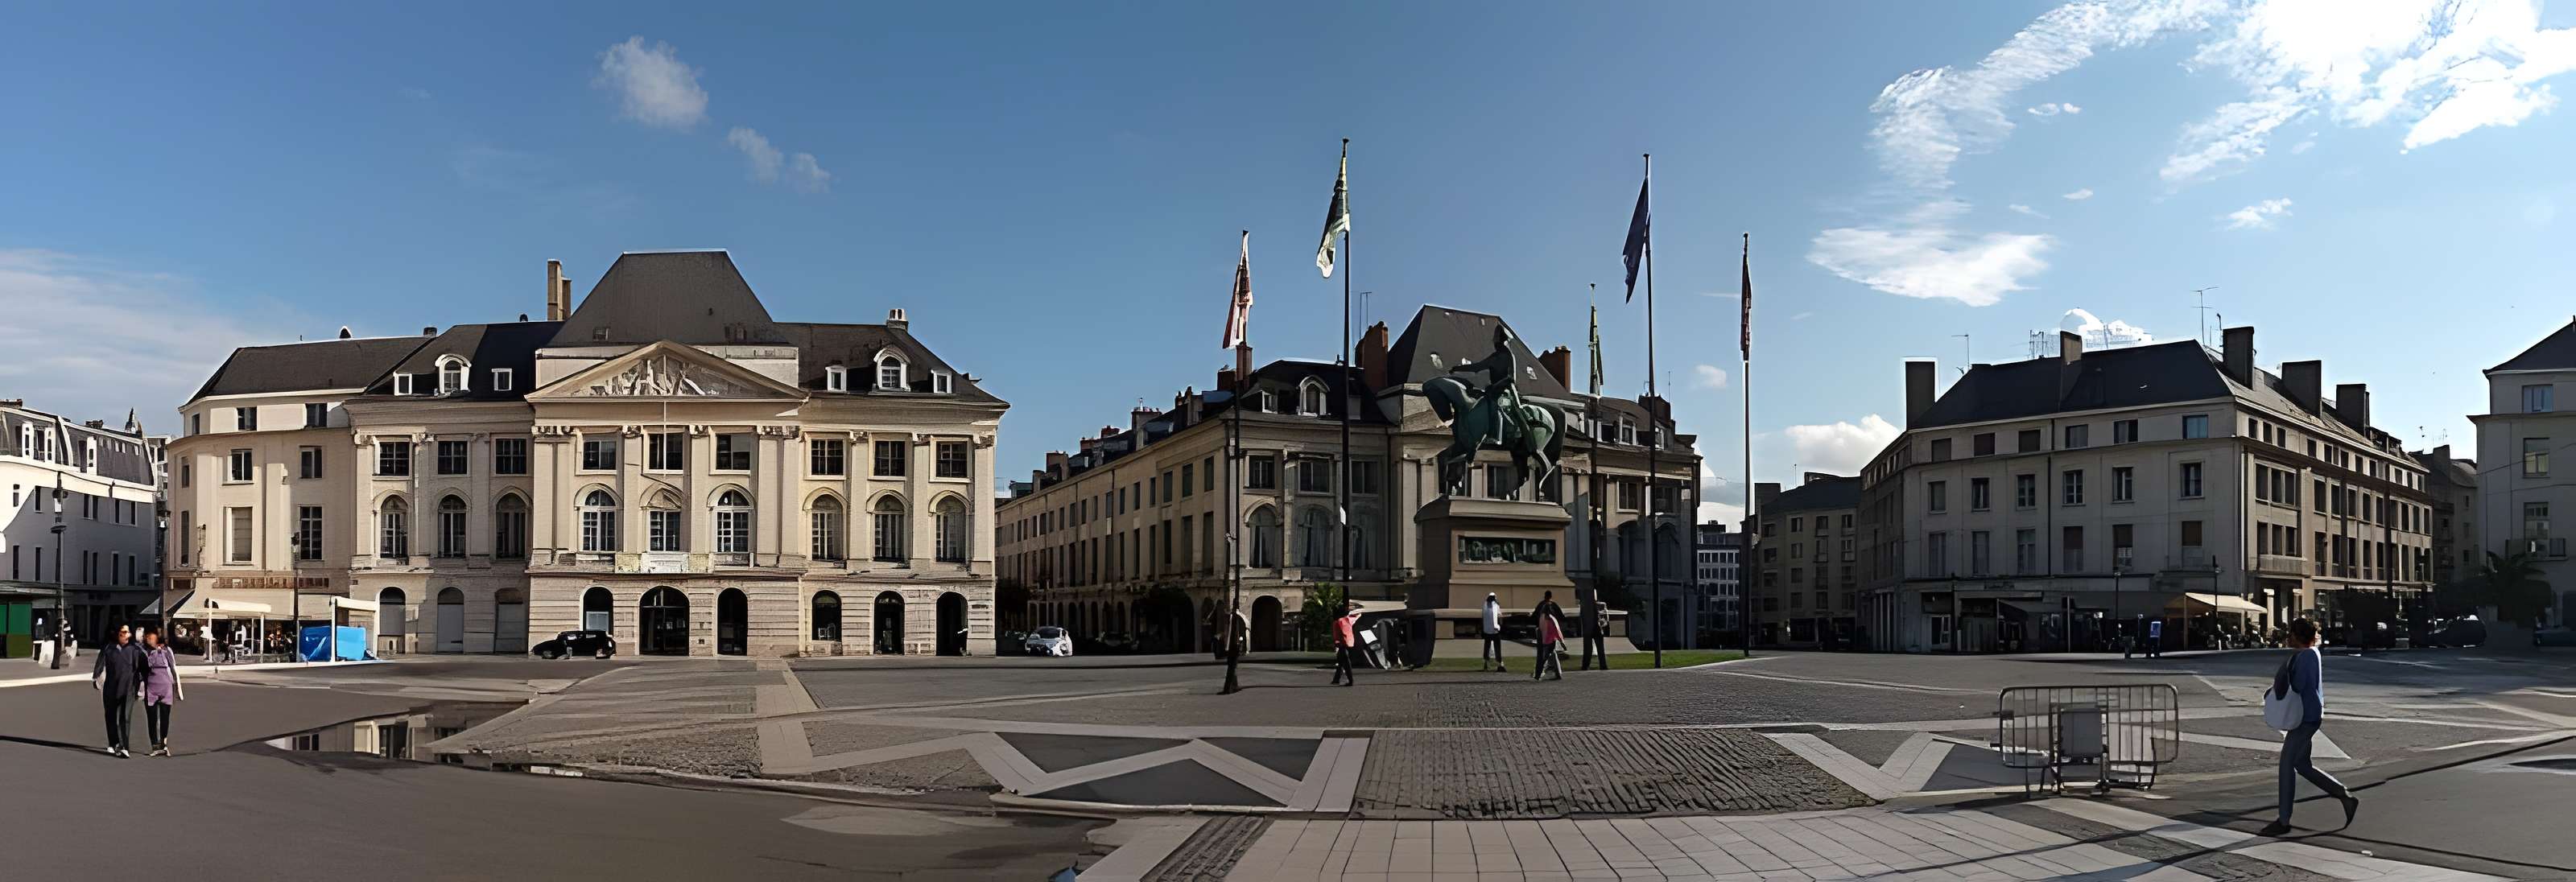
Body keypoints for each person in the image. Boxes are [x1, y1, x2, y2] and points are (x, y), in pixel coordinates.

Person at [2264, 619, 2358, 836]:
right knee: (2302, 764)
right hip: (2311, 715)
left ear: (2297, 636)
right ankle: (2343, 795)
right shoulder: (2314, 653)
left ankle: (2284, 820)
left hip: (2303, 718)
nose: (2288, 637)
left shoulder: (2303, 656)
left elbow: (2295, 686)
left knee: (2286, 766)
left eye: (2291, 634)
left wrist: (2285, 670)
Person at [91, 624, 146, 757]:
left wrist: (141, 687)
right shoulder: (109, 648)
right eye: (123, 632)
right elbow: (100, 664)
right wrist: (96, 678)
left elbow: (141, 670)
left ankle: (124, 746)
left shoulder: (135, 650)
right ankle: (113, 742)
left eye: (128, 632)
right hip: (111, 687)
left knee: (124, 717)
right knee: (110, 716)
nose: (126, 634)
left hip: (128, 688)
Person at [139, 626, 184, 756]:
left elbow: (173, 668)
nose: (148, 638)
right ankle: (155, 746)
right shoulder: (143, 652)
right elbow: (141, 671)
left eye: (151, 636)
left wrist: (177, 689)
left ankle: (164, 744)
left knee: (165, 718)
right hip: (151, 690)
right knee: (152, 719)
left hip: (166, 689)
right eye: (147, 636)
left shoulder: (167, 651)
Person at [1328, 602, 1360, 686]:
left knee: (1345, 662)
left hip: (1342, 644)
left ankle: (1351, 681)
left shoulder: (1336, 622)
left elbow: (1336, 636)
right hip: (1349, 642)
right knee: (1341, 661)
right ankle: (1336, 679)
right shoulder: (1348, 620)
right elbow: (1357, 616)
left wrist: (1336, 643)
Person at [1534, 599, 1565, 681]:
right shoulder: (1551, 619)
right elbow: (1557, 631)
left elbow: (1541, 629)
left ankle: (1539, 674)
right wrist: (1562, 642)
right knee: (1553, 656)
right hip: (1550, 641)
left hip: (1546, 641)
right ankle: (1558, 673)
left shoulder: (1542, 618)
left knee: (1545, 658)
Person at [1579, 597, 1608, 670]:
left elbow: (1582, 618)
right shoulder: (1598, 606)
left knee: (1589, 650)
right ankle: (1602, 665)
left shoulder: (1585, 606)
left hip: (1591, 630)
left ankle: (1586, 666)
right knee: (1599, 649)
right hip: (1595, 630)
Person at [1480, 593, 1506, 672]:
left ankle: (1486, 664)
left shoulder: (1484, 605)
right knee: (1497, 648)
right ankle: (1500, 664)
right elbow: (1497, 616)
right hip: (1495, 631)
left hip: (1487, 631)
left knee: (1487, 648)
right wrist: (1499, 627)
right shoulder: (1495, 605)